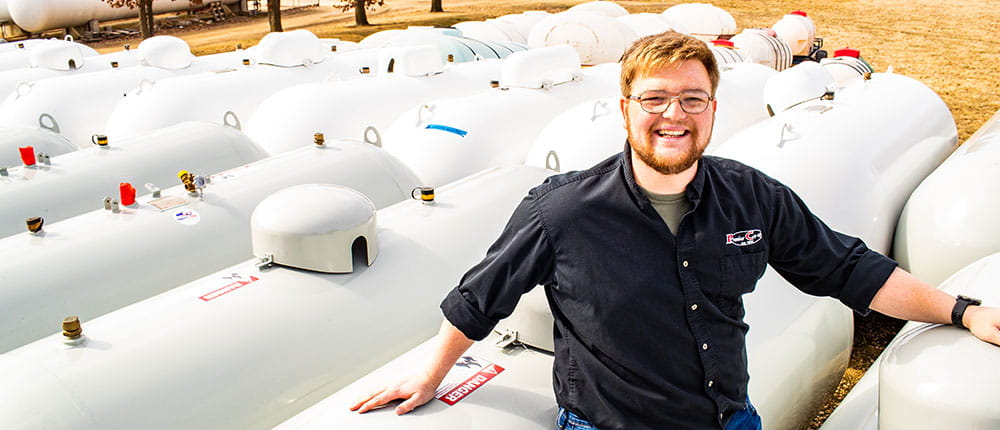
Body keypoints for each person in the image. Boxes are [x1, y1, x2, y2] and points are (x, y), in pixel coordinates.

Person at [350, 31, 1000, 429]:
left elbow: (848, 269)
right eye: (654, 99)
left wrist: (961, 309)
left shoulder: (751, 196)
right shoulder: (563, 211)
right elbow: (479, 297)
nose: (673, 115)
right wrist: (431, 376)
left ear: (713, 111)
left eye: (692, 99)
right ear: (625, 109)